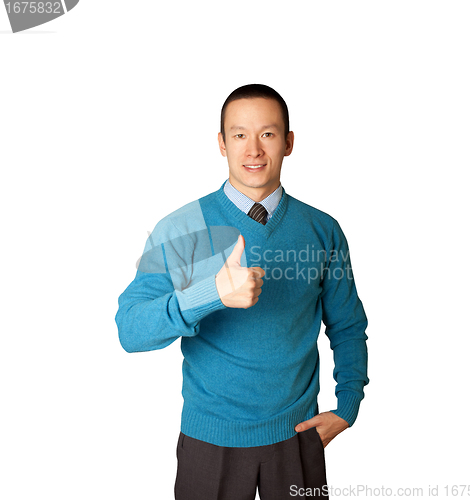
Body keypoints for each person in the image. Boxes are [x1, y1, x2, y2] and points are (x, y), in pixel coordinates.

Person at [115, 84, 369, 499]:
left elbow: (347, 325)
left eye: (267, 134)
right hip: (209, 440)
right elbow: (130, 330)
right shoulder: (182, 229)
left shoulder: (322, 229)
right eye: (239, 135)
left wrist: (348, 405)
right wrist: (208, 294)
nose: (253, 149)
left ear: (288, 143)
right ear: (221, 143)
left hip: (298, 437)